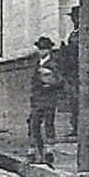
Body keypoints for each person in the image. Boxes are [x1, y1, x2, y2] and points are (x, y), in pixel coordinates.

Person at [29, 36, 63, 165]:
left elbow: (60, 81)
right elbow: (33, 82)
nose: (42, 51)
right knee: (34, 125)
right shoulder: (36, 63)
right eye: (40, 49)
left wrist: (50, 82)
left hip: (49, 98)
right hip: (37, 99)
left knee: (49, 124)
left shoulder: (54, 64)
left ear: (49, 50)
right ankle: (35, 151)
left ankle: (50, 151)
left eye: (45, 49)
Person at [59, 6, 82, 139]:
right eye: (73, 18)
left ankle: (81, 128)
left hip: (79, 71)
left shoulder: (82, 34)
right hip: (72, 72)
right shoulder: (74, 33)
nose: (75, 20)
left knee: (79, 99)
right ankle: (75, 127)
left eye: (76, 17)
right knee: (73, 101)